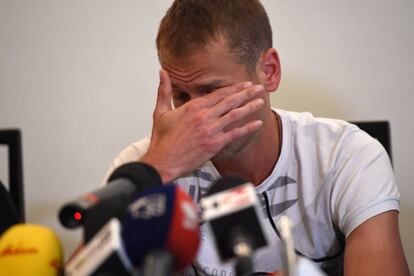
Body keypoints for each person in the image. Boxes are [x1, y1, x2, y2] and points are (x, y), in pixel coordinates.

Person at [105, 1, 410, 275]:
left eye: (212, 92)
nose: (196, 115)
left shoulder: (347, 155)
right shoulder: (140, 165)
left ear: (269, 71)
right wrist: (159, 168)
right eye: (181, 96)